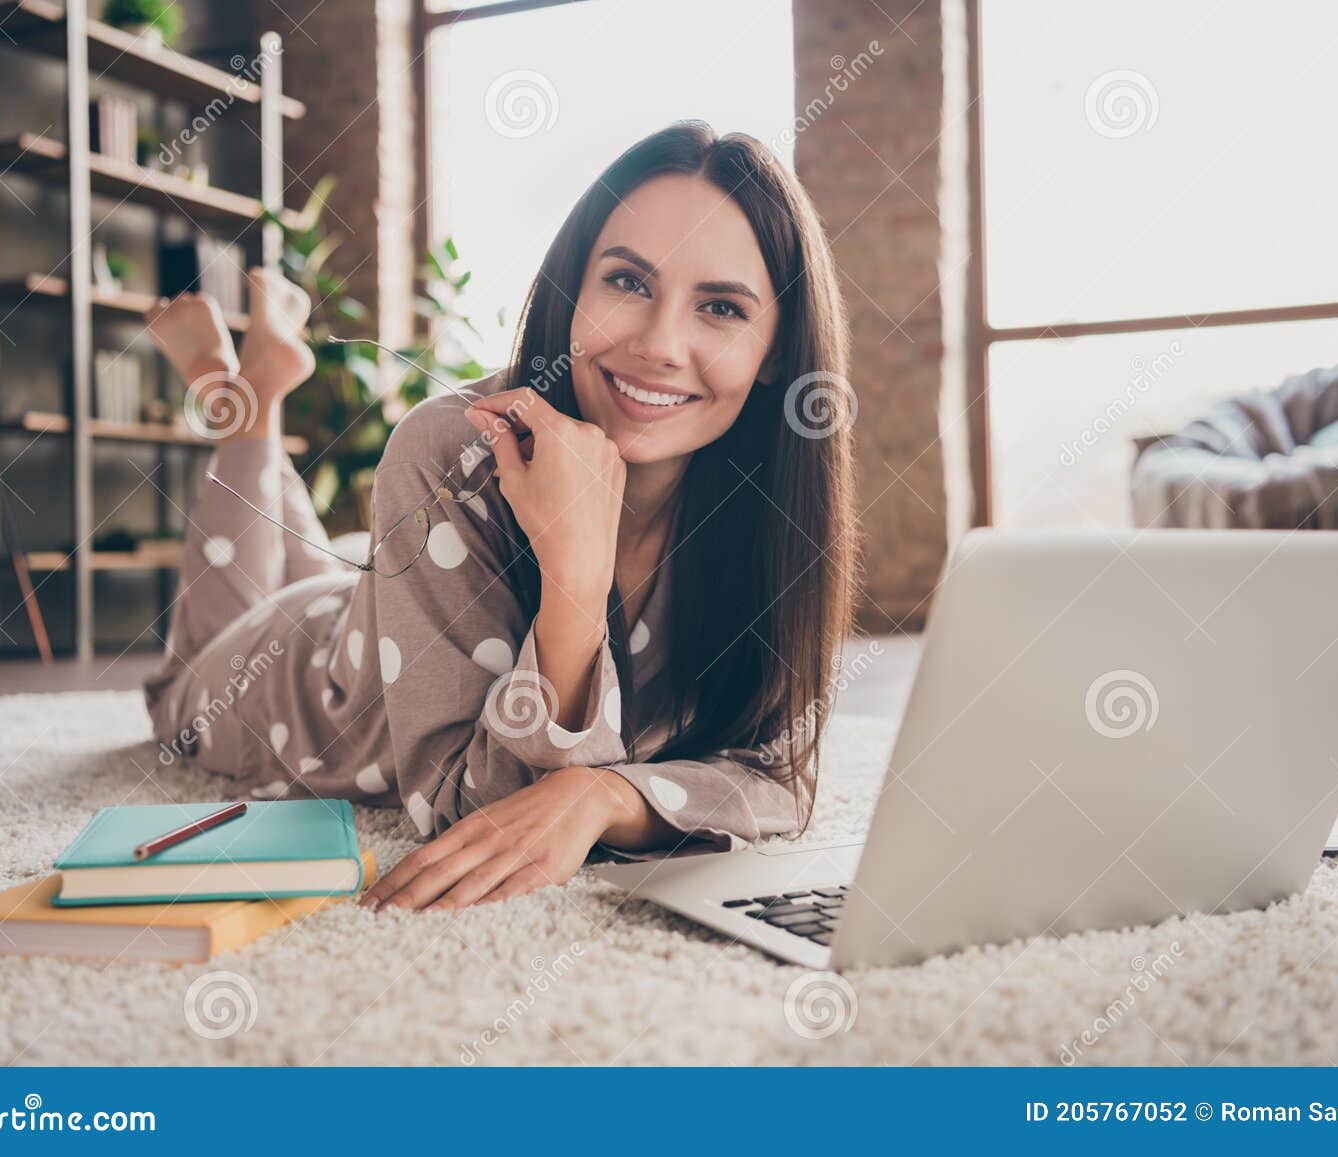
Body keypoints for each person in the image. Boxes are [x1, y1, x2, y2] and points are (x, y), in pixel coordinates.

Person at [142, 121, 858, 911]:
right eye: (627, 282)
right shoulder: (449, 448)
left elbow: (779, 776)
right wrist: (576, 575)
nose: (661, 344)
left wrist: (601, 797)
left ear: (779, 353)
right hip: (304, 676)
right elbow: (473, 812)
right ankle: (244, 402)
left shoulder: (767, 501)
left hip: (378, 596)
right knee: (187, 673)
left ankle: (254, 386)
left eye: (721, 307)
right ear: (571, 290)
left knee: (336, 574)